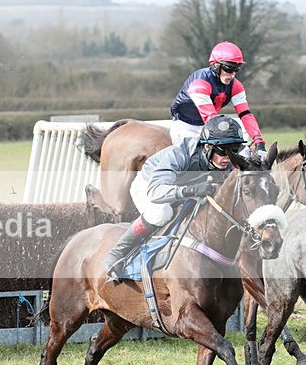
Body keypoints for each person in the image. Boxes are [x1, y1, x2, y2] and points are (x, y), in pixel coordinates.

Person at [104, 115, 246, 281]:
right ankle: (117, 253)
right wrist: (191, 190)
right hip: (149, 186)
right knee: (161, 213)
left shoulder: (225, 161)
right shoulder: (177, 155)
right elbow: (156, 193)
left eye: (234, 149)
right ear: (207, 146)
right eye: (223, 151)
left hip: (184, 189)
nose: (228, 158)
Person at [170, 41, 265, 152]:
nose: (232, 74)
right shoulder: (199, 82)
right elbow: (210, 117)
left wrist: (259, 141)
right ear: (216, 65)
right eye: (229, 68)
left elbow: (245, 115)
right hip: (185, 126)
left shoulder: (236, 86)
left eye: (236, 69)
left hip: (207, 124)